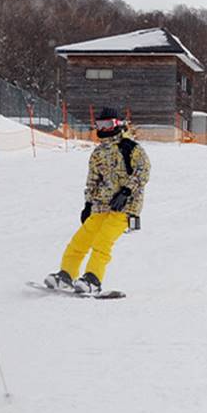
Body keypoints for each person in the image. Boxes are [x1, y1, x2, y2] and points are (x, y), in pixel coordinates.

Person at [44, 107, 151, 296]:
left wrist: (126, 192)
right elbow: (92, 179)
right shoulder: (98, 153)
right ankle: (66, 274)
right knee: (80, 240)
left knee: (103, 242)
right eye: (101, 125)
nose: (105, 129)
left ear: (118, 125)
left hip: (125, 207)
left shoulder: (131, 148)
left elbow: (143, 172)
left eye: (109, 124)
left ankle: (93, 279)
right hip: (100, 205)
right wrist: (88, 204)